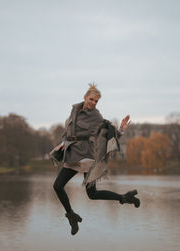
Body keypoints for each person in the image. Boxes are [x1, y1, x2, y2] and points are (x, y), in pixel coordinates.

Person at [52, 83, 140, 235]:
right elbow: (69, 132)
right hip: (73, 154)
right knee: (59, 186)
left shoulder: (96, 116)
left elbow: (108, 134)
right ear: (85, 97)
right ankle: (71, 215)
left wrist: (120, 130)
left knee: (90, 193)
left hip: (87, 156)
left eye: (96, 101)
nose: (93, 103)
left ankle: (124, 198)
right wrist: (62, 144)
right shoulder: (74, 110)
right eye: (91, 99)